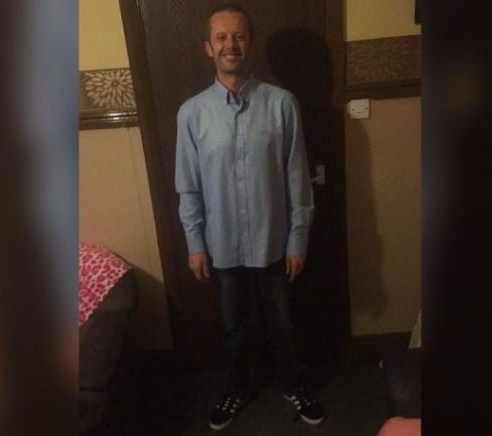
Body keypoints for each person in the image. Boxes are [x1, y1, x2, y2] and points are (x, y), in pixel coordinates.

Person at [174, 3, 324, 431]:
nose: (230, 45)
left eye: (238, 36)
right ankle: (236, 389)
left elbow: (297, 177)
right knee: (234, 328)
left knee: (284, 325)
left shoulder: (282, 104)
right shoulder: (191, 113)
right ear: (208, 47)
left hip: (274, 241)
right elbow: (188, 185)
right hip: (221, 245)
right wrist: (195, 243)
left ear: (250, 43)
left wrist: (298, 238)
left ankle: (293, 385)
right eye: (221, 37)